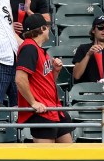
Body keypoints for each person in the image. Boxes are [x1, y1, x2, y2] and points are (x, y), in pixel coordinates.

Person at [16, 14, 74, 143]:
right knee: (47, 159)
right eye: (47, 27)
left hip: (54, 109)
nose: (49, 30)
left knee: (70, 156)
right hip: (42, 112)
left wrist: (56, 71)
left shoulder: (39, 49)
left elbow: (47, 81)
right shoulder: (29, 48)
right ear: (42, 29)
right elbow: (20, 79)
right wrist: (33, 102)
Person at [72, 15, 104, 84]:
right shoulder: (83, 48)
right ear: (93, 30)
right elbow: (76, 75)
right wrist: (88, 55)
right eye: (100, 27)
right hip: (90, 91)